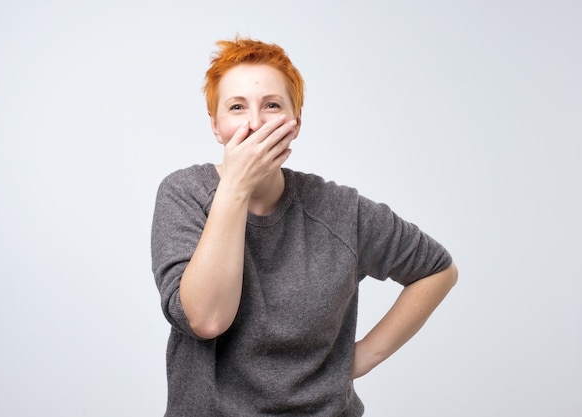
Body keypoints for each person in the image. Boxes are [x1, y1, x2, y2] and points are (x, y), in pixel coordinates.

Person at [151, 36, 458, 416]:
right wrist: (235, 187)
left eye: (272, 106)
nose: (255, 123)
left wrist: (359, 359)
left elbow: (437, 270)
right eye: (236, 107)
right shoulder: (185, 195)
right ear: (216, 126)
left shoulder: (339, 210)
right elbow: (206, 319)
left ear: (295, 123)